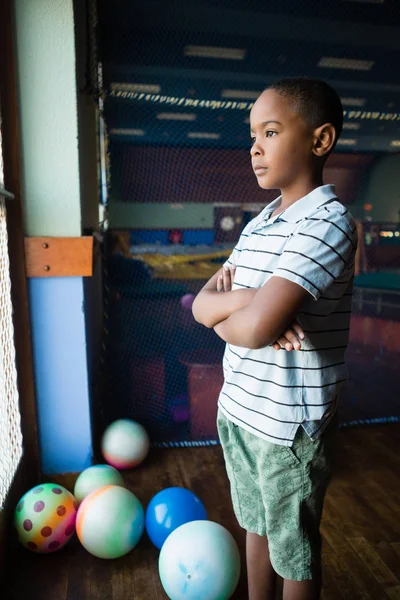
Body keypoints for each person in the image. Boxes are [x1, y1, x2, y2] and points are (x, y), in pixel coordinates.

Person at [192, 77, 357, 600]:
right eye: (252, 135)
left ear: (320, 139)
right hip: (239, 408)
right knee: (256, 530)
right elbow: (201, 305)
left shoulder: (328, 223)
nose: (255, 148)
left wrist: (248, 312)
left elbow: (258, 330)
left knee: (294, 554)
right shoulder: (260, 222)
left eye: (270, 131)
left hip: (289, 427)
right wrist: (247, 302)